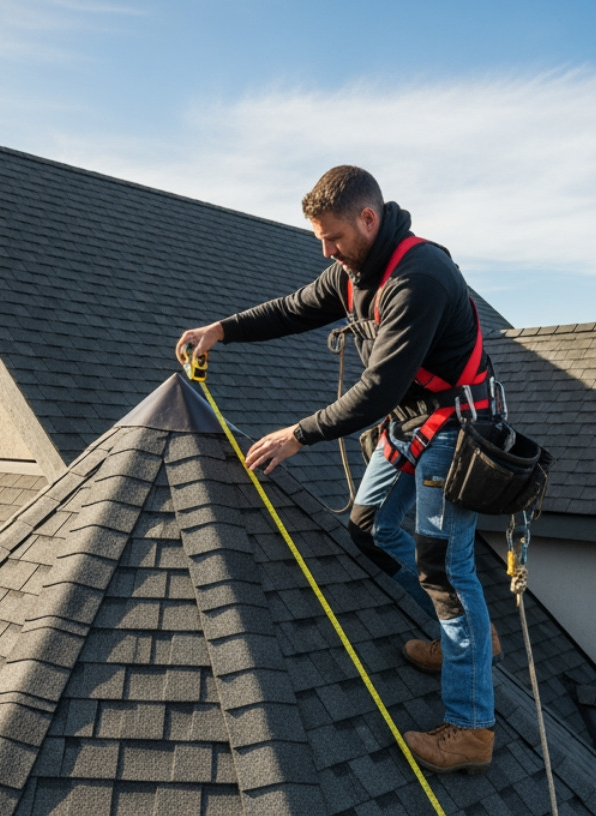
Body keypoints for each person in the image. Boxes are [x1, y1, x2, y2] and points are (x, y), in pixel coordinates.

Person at [175, 165, 501, 774]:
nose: (325, 251)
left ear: (368, 219)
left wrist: (297, 434)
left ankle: (471, 728)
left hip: (455, 427)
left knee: (446, 570)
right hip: (411, 424)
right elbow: (294, 309)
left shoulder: (418, 277)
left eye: (333, 238)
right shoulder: (356, 273)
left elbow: (378, 389)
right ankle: (469, 642)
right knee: (370, 524)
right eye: (319, 240)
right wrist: (221, 330)